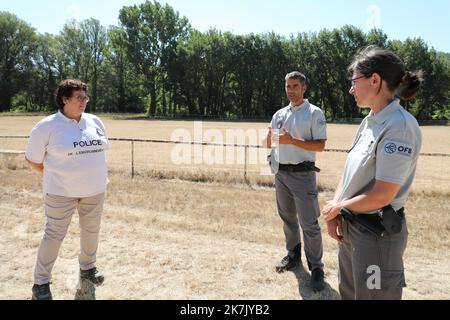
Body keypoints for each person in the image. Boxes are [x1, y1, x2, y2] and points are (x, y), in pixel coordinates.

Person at [322, 46, 423, 300]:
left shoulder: (399, 126)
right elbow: (349, 173)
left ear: (375, 80)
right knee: (351, 294)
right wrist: (337, 208)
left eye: (354, 81)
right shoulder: (370, 121)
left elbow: (382, 194)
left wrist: (338, 207)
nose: (351, 89)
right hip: (353, 227)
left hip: (376, 235)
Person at [25, 79, 109, 300]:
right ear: (65, 99)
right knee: (53, 236)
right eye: (79, 97)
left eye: (86, 97)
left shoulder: (95, 121)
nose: (84, 101)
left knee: (92, 232)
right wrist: (57, 175)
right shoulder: (46, 127)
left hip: (95, 190)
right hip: (60, 193)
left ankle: (88, 269)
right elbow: (33, 160)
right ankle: (41, 284)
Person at [263, 71, 327, 292]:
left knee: (309, 224)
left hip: (303, 175)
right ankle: (293, 256)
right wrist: (268, 138)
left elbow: (319, 145)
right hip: (281, 173)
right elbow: (269, 144)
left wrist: (292, 140)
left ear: (304, 88)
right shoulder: (279, 114)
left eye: (295, 86)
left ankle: (317, 268)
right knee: (287, 219)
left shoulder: (314, 113)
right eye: (287, 86)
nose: (290, 90)